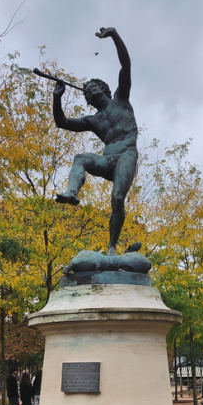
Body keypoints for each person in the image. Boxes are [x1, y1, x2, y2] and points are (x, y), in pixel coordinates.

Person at [52, 27, 138, 256]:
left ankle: (112, 246)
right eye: (86, 92)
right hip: (107, 160)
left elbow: (126, 65)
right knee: (80, 158)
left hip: (127, 155)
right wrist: (57, 98)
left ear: (103, 89)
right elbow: (62, 123)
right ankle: (72, 192)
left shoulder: (121, 99)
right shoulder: (93, 120)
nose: (88, 92)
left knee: (117, 198)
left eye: (92, 88)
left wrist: (114, 35)